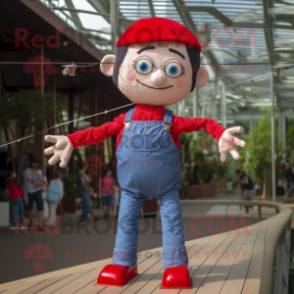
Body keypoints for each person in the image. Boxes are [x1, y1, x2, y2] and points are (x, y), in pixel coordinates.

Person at [44, 17, 246, 288]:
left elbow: (202, 123)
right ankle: (123, 262)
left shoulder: (171, 121)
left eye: (174, 68)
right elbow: (98, 131)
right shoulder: (124, 119)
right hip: (131, 188)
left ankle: (175, 267)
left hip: (166, 188)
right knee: (127, 221)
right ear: (112, 68)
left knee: (171, 221)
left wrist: (220, 132)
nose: (159, 76)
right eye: (143, 66)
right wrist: (71, 139)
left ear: (196, 77)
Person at [25, 158, 44, 230]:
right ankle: (31, 220)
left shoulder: (39, 171)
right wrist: (39, 183)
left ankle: (40, 224)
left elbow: (42, 182)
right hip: (30, 191)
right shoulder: (28, 171)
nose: (35, 164)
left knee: (40, 208)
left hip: (38, 191)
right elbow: (31, 181)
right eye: (33, 163)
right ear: (31, 163)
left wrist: (38, 183)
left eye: (36, 163)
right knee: (29, 208)